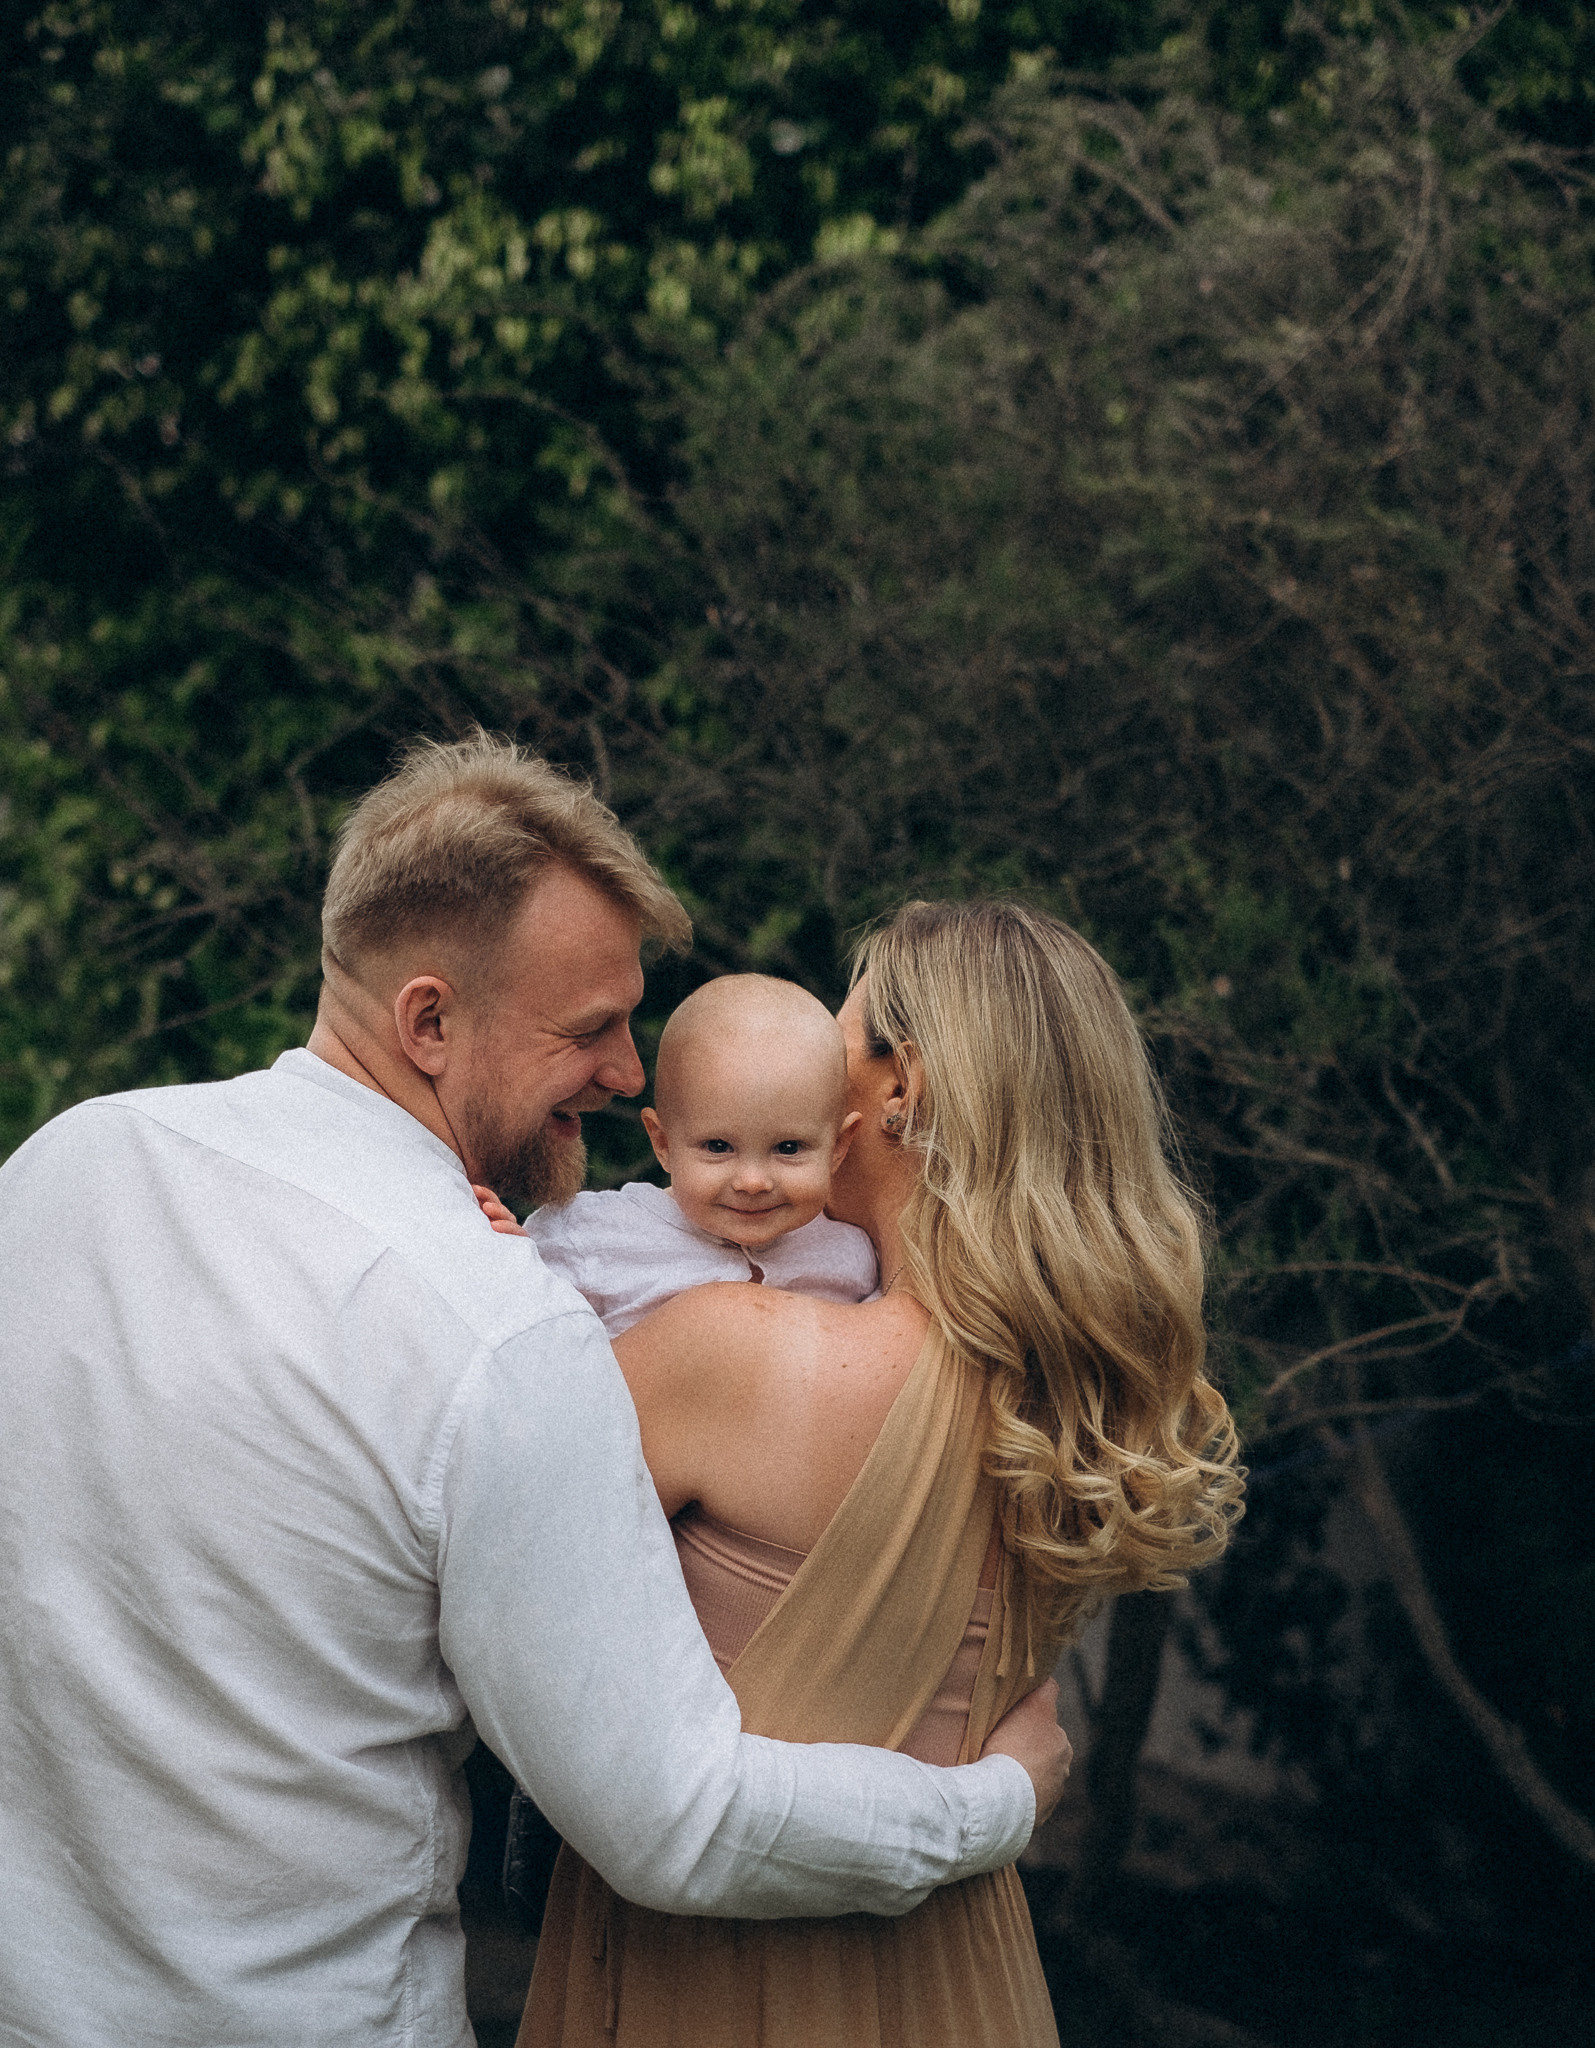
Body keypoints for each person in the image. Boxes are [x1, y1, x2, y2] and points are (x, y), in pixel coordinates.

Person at [0, 738, 1071, 2048]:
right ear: (430, 1023)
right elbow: (677, 1825)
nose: (632, 1076)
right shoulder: (501, 1334)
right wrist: (995, 1805)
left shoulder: (64, 1167)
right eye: (589, 1031)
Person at [519, 898, 1245, 2048]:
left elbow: (459, 1571)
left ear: (893, 1089)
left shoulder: (731, 1352)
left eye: (834, 1038)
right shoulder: (1073, 1407)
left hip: (715, 1980)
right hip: (972, 1977)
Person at [488, 974, 879, 1335]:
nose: (753, 1182)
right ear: (663, 1144)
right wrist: (515, 1261)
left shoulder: (852, 1256)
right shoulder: (590, 1235)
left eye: (788, 1148)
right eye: (718, 1147)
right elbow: (523, 1344)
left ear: (838, 1148)